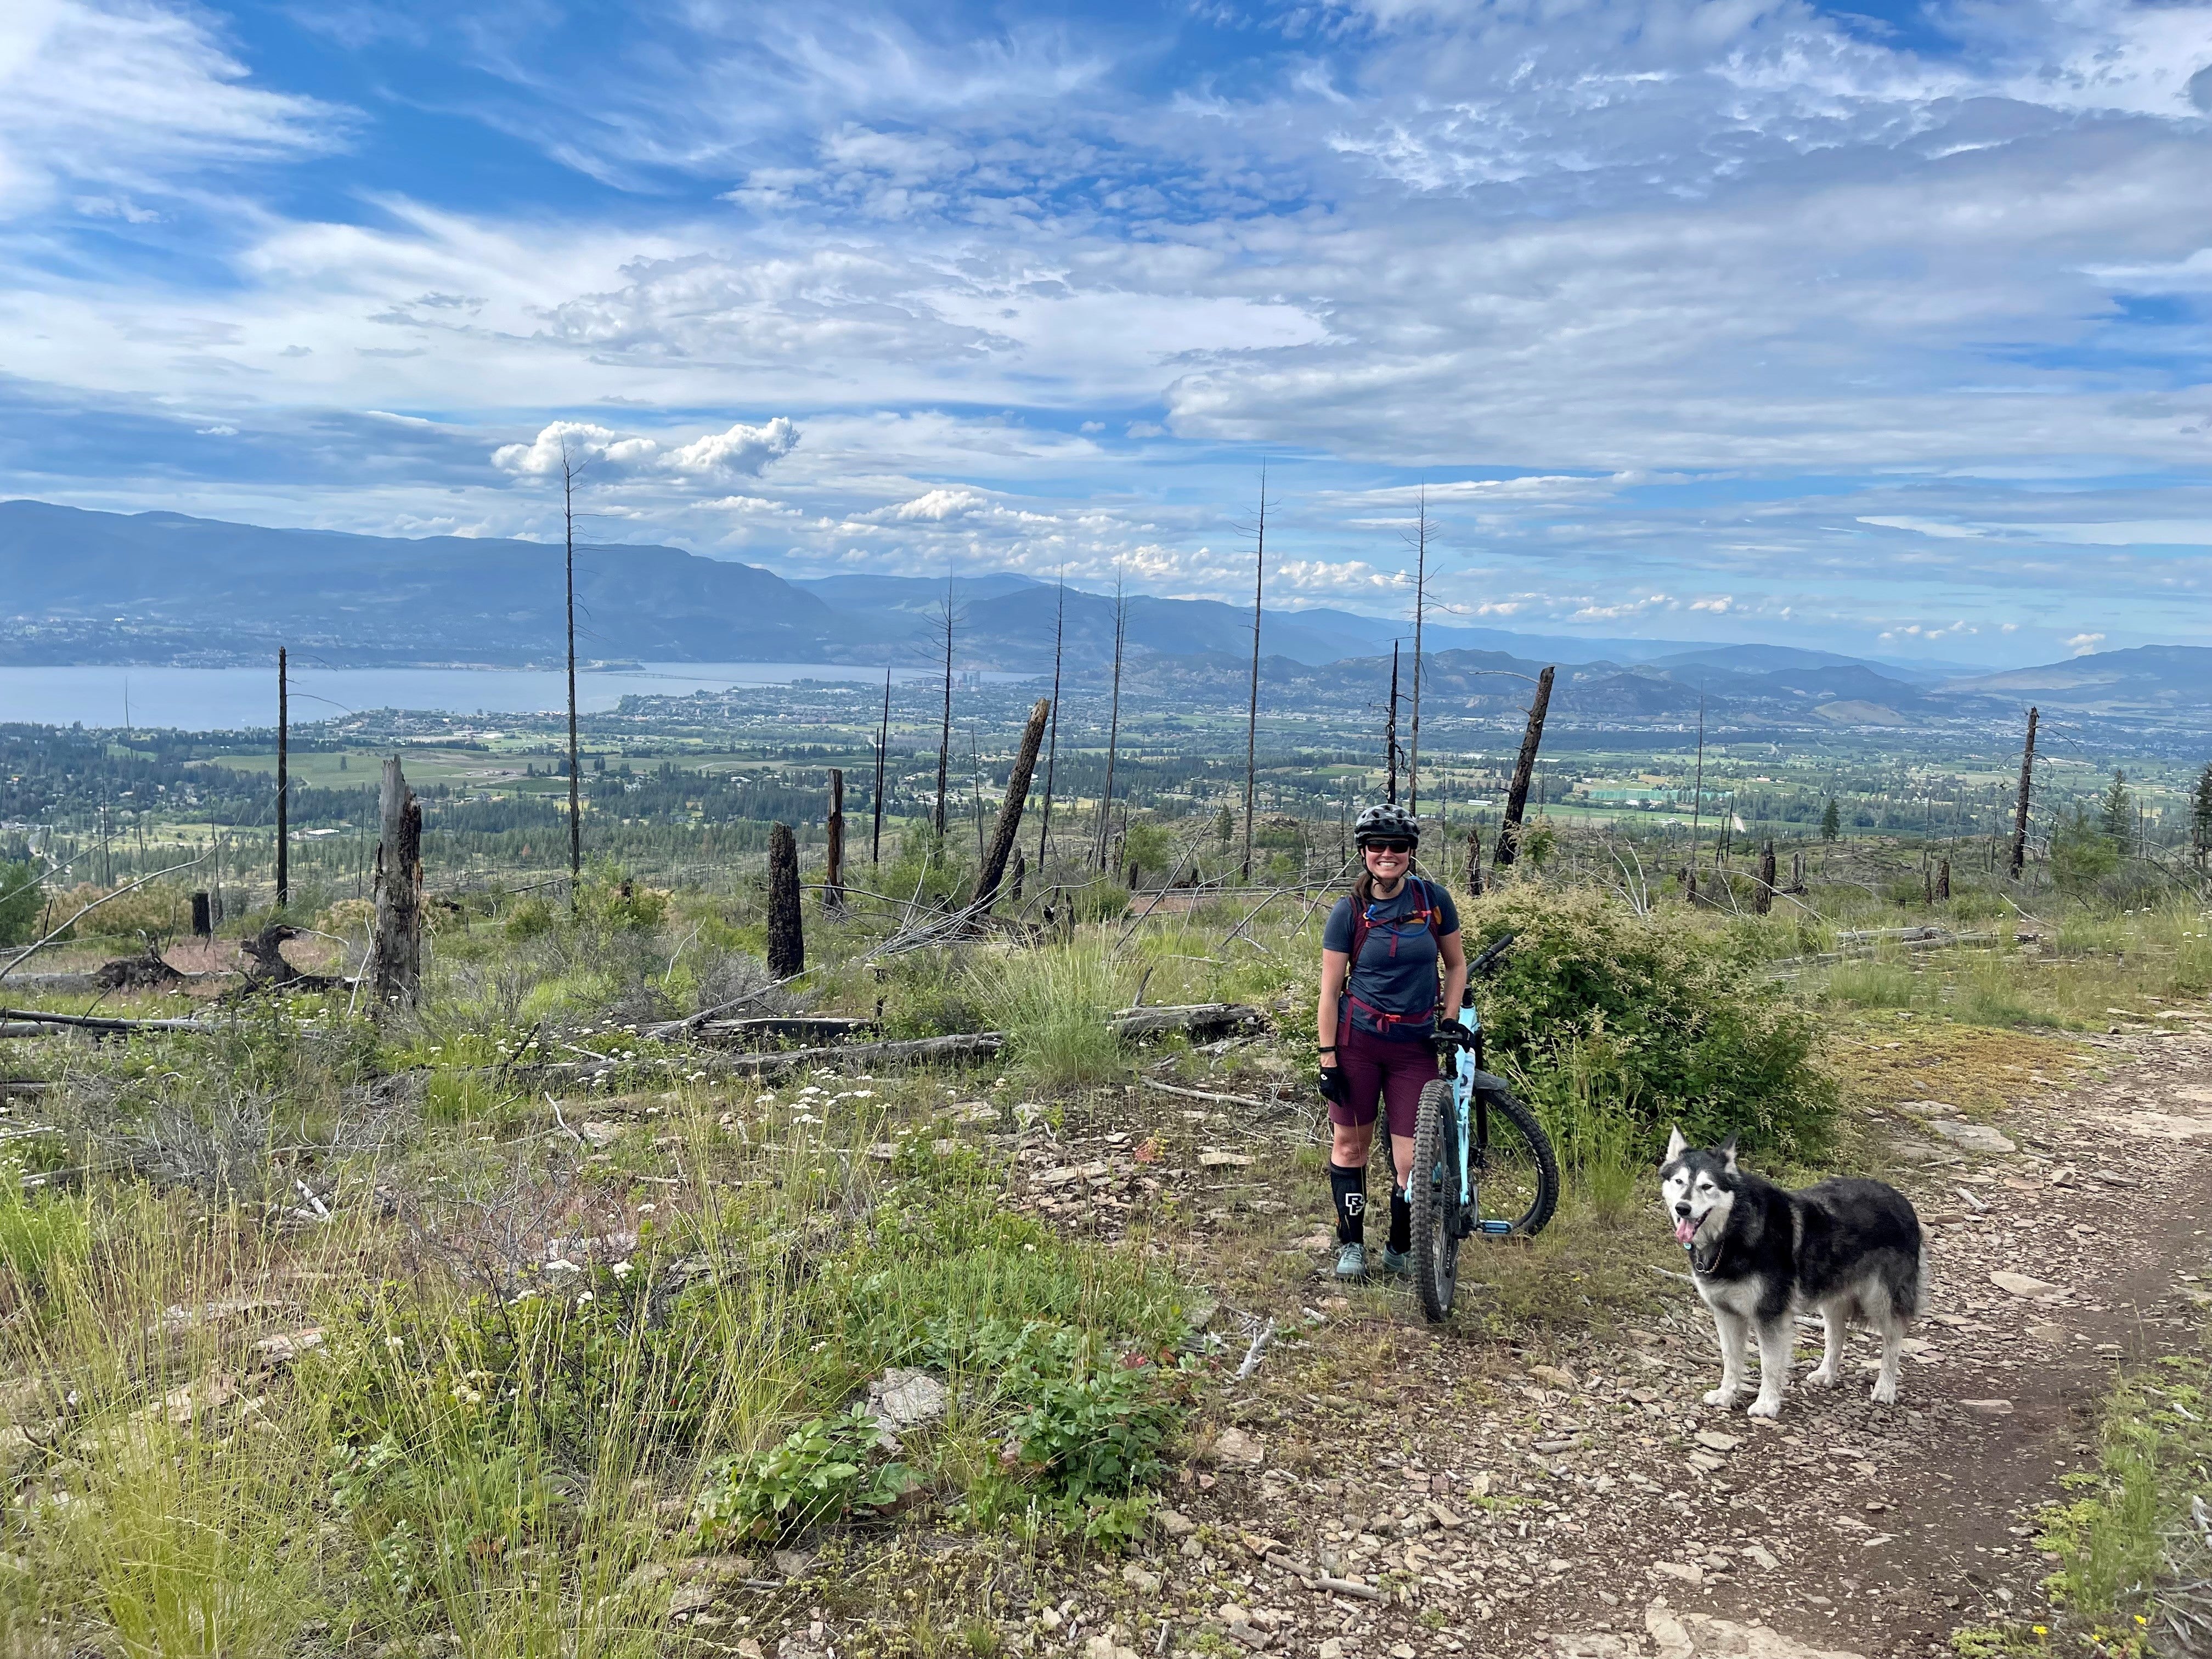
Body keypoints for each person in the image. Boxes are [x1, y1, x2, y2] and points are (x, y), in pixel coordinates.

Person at [1317, 802, 1469, 1281]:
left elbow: (1457, 965)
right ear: (1363, 853)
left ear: (1410, 853)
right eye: (1378, 846)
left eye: (1398, 847)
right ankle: (1352, 1246)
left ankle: (1401, 1247)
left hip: (1414, 1046)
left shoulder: (1434, 900)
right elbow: (1329, 990)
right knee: (1350, 1148)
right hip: (1358, 1043)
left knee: (1414, 1162)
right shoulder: (1350, 911)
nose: (1388, 854)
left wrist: (1447, 1017)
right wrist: (1328, 1059)